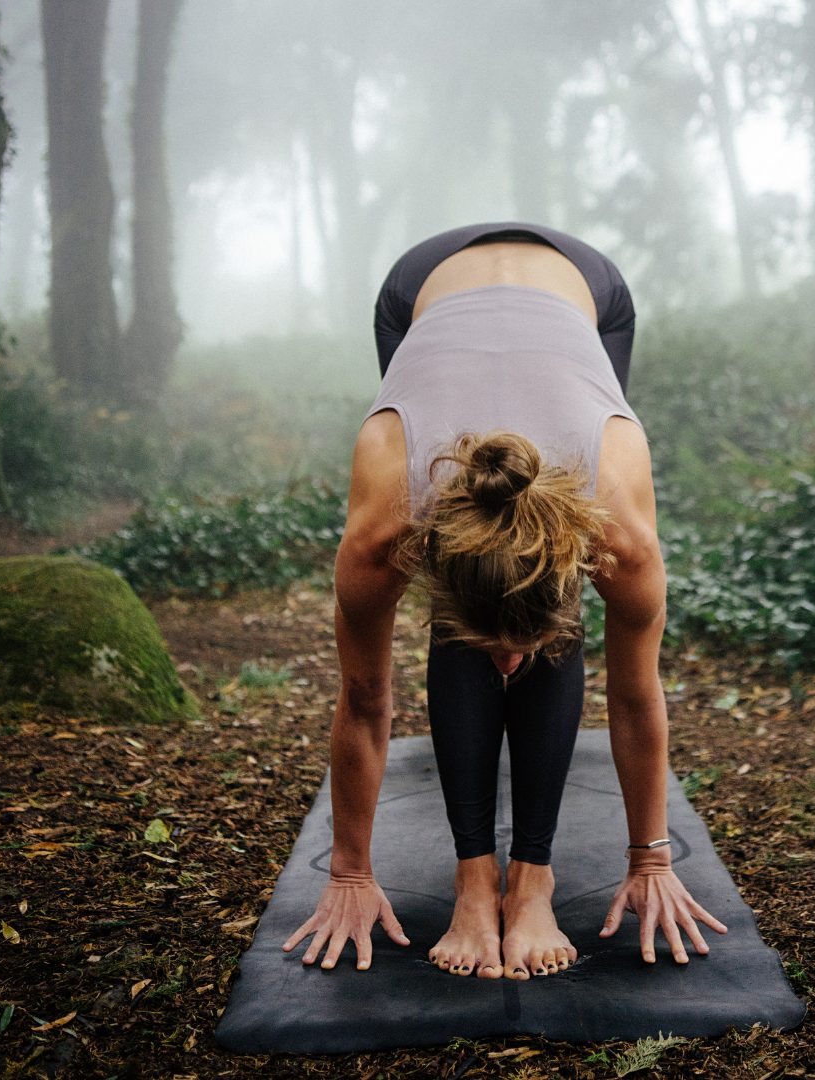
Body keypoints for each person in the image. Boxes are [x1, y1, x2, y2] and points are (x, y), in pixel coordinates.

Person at [282, 223, 727, 980]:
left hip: (583, 288)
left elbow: (633, 694)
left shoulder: (617, 523)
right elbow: (362, 699)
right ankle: (472, 877)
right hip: (421, 286)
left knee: (516, 612)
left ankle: (533, 881)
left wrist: (651, 858)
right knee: (480, 594)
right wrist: (350, 872)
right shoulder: (387, 522)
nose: (511, 664)